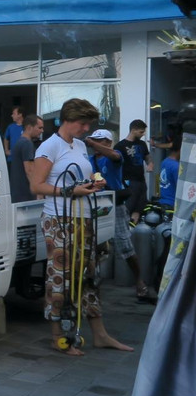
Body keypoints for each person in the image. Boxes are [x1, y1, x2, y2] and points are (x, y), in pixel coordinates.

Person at [30, 98, 133, 356]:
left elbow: (80, 177)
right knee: (61, 277)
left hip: (84, 217)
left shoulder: (78, 145)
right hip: (59, 220)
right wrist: (70, 190)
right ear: (68, 119)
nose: (86, 129)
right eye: (83, 123)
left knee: (89, 276)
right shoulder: (49, 146)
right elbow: (37, 185)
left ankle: (100, 334)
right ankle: (58, 337)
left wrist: (91, 183)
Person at [86, 128, 156, 304]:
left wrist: (91, 143)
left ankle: (140, 282)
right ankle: (92, 282)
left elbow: (115, 157)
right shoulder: (90, 160)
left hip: (115, 206)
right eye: (94, 140)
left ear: (108, 143)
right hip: (96, 206)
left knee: (125, 245)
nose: (95, 144)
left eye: (100, 141)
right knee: (92, 245)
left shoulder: (115, 155)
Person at [116, 119, 152, 223]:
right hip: (129, 182)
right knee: (128, 208)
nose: (143, 134)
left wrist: (150, 164)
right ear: (133, 130)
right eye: (141, 132)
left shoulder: (142, 144)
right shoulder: (120, 146)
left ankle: (134, 230)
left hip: (141, 181)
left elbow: (147, 157)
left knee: (140, 207)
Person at [9, 113, 43, 202]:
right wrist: (38, 191)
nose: (42, 131)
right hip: (26, 195)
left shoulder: (20, 142)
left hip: (18, 194)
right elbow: (30, 170)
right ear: (29, 127)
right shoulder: (27, 144)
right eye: (39, 128)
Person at [159, 141, 180, 211]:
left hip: (164, 201)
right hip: (172, 204)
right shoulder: (176, 166)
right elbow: (181, 187)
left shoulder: (165, 161)